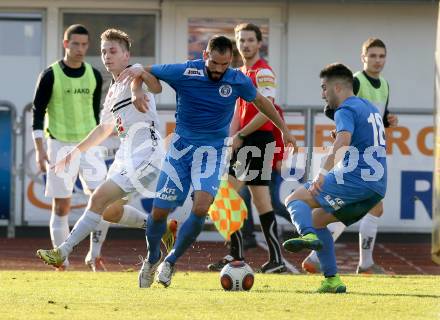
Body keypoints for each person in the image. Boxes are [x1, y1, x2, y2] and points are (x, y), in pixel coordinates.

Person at [120, 35, 296, 288]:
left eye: (224, 65)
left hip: (211, 152)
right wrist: (137, 90)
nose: (218, 70)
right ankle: (151, 259)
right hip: (180, 150)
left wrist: (284, 130)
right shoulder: (185, 71)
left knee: (202, 207)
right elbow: (142, 71)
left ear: (230, 62)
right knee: (159, 212)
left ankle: (170, 261)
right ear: (205, 56)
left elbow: (261, 102)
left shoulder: (236, 79)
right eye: (214, 63)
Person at [36, 29, 177, 270]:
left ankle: (63, 251)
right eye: (103, 52)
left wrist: (140, 74)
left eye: (112, 51)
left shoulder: (136, 74)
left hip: (147, 155)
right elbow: (102, 129)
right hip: (126, 156)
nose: (106, 56)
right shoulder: (112, 90)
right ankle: (159, 227)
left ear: (126, 55)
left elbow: (156, 88)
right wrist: (74, 153)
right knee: (110, 212)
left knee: (98, 197)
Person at [282, 63, 387, 293]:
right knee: (319, 219)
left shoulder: (345, 109)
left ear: (337, 87)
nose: (322, 94)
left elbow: (343, 142)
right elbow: (367, 140)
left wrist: (322, 173)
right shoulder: (368, 107)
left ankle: (307, 236)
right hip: (376, 188)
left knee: (293, 199)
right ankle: (332, 280)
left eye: (324, 88)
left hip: (354, 178)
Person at [303, 38, 398, 275]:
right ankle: (353, 262)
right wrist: (343, 130)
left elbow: (376, 117)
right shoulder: (355, 80)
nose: (377, 60)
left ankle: (321, 256)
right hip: (354, 156)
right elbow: (333, 107)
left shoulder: (384, 84)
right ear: (363, 57)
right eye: (373, 55)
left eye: (381, 56)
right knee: (363, 206)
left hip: (370, 155)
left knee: (364, 208)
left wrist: (388, 120)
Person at [208, 23, 288, 273]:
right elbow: (236, 112)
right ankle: (276, 260)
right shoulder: (239, 71)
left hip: (257, 140)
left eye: (250, 40)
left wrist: (241, 134)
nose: (245, 44)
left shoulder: (263, 72)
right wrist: (231, 138)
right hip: (249, 141)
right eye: (241, 40)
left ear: (259, 43)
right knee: (261, 201)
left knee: (225, 195)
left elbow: (268, 111)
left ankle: (236, 255)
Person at [32, 24, 109, 271]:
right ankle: (62, 261)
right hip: (59, 145)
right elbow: (37, 113)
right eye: (75, 44)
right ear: (66, 44)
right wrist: (39, 149)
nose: (80, 49)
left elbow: (96, 113)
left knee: (103, 201)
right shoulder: (50, 75)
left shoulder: (95, 75)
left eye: (85, 44)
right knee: (62, 205)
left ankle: (94, 255)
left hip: (90, 146)